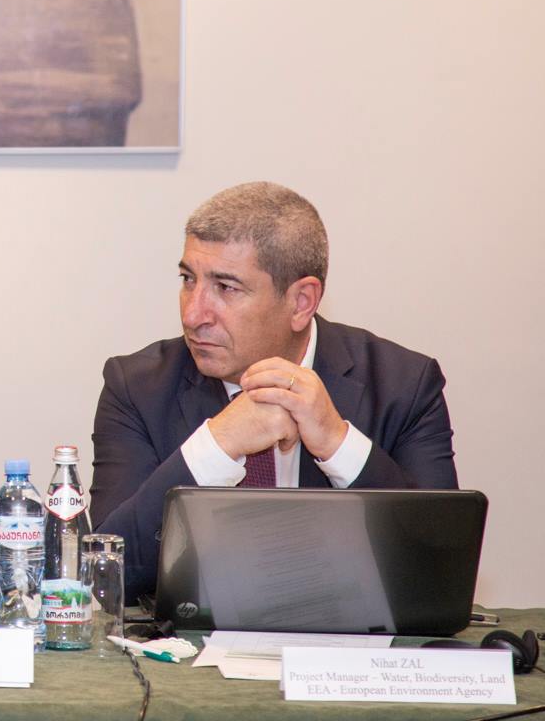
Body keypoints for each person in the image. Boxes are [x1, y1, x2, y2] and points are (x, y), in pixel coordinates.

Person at [89, 181, 457, 599]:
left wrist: (337, 444)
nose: (193, 314)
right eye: (188, 279)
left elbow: (440, 571)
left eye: (226, 288)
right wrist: (217, 444)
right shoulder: (137, 387)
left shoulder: (403, 385)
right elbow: (105, 575)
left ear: (301, 302)